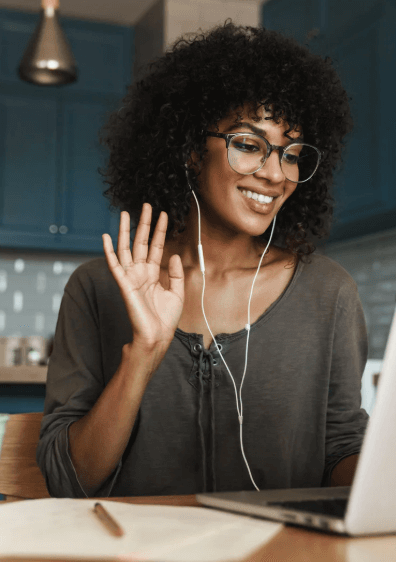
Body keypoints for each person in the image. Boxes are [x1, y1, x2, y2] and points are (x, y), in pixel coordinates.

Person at [36, 22, 367, 498]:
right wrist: (143, 356)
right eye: (250, 145)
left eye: (292, 154)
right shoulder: (98, 288)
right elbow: (69, 481)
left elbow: (340, 450)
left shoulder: (328, 293)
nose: (275, 174)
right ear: (192, 150)